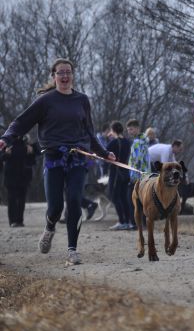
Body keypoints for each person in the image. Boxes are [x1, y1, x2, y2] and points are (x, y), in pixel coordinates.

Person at [0, 58, 116, 266]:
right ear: (53, 76)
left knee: (74, 201)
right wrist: (6, 138)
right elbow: (21, 122)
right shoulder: (46, 100)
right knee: (55, 207)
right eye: (60, 73)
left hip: (78, 158)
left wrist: (104, 152)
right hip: (53, 158)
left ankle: (72, 250)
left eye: (68, 72)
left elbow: (89, 131)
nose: (64, 76)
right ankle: (50, 227)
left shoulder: (82, 100)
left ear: (72, 75)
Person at [1, 135, 39, 227]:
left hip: (24, 175)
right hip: (11, 175)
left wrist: (31, 152)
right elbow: (1, 158)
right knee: (12, 199)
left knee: (21, 199)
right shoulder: (7, 142)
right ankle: (13, 220)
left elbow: (32, 161)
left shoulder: (27, 143)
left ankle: (19, 220)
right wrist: (6, 154)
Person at [106, 121, 133, 230]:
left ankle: (122, 221)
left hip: (116, 173)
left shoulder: (114, 143)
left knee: (114, 196)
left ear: (113, 130)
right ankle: (128, 221)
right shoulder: (128, 142)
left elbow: (104, 153)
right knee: (123, 197)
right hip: (125, 172)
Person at [127, 119, 150, 228]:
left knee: (133, 200)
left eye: (131, 129)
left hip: (138, 176)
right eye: (128, 130)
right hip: (146, 174)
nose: (129, 132)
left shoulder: (137, 142)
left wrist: (133, 176)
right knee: (143, 200)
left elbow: (136, 160)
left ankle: (135, 223)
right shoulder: (144, 140)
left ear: (137, 128)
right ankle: (144, 223)